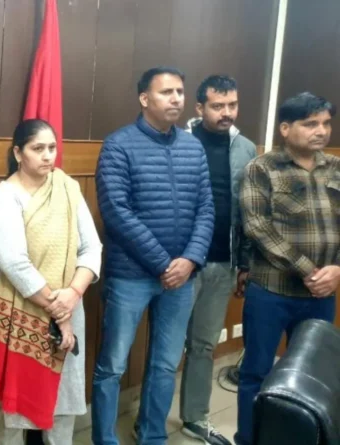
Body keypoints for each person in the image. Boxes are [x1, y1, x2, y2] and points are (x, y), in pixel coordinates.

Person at [92, 67, 214, 445]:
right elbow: (116, 212)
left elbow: (206, 209)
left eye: (180, 91)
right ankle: (104, 439)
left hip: (182, 278)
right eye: (166, 92)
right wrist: (164, 264)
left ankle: (152, 436)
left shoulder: (193, 147)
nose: (176, 98)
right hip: (130, 275)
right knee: (112, 366)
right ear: (145, 98)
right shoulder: (118, 145)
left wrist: (190, 260)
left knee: (165, 364)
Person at [0, 119, 102, 445]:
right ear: (18, 153)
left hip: (69, 303)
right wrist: (59, 309)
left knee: (63, 397)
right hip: (18, 307)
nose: (48, 156)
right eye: (38, 148)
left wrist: (73, 294)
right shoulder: (4, 198)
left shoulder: (67, 188)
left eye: (52, 147)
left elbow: (92, 248)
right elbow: (15, 264)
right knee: (12, 405)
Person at [235, 92, 338, 445]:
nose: (321, 130)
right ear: (285, 128)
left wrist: (337, 270)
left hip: (321, 296)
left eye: (326, 123)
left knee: (311, 378)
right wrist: (312, 270)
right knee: (256, 373)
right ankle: (249, 439)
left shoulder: (336, 168)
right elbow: (257, 228)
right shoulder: (261, 169)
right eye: (310, 124)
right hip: (270, 292)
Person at [179, 75, 256, 445]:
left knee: (204, 346)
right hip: (181, 265)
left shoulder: (246, 148)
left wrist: (245, 264)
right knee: (166, 349)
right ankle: (148, 422)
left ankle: (195, 417)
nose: (227, 113)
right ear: (200, 107)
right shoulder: (179, 141)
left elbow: (248, 211)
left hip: (224, 263)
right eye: (218, 105)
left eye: (232, 105)